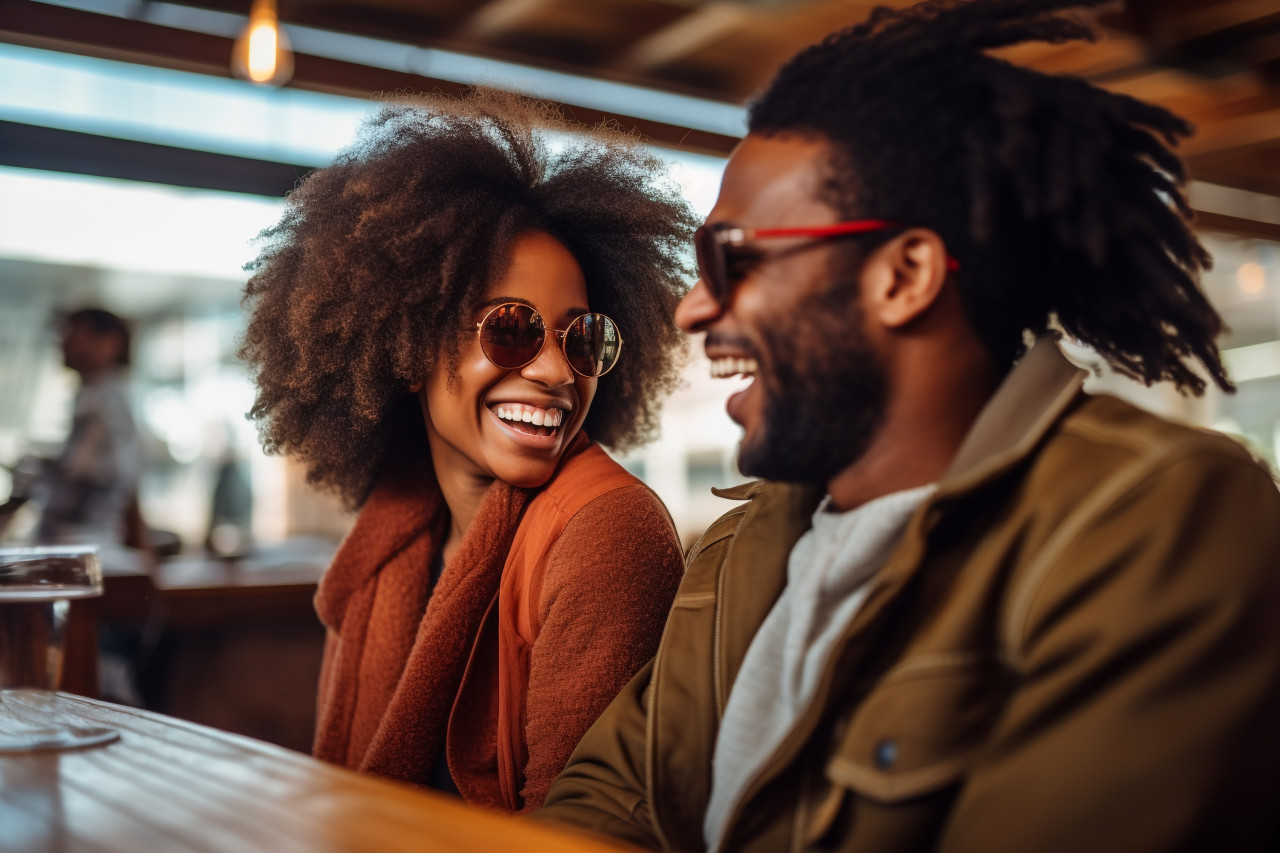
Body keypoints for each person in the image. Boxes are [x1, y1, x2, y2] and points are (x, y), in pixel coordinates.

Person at [536, 1, 1280, 850]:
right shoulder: (736, 550)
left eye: (732, 259)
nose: (692, 307)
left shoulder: (1158, 520)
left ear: (904, 275)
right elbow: (609, 795)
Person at [238, 91, 696, 812]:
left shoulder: (606, 532)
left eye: (583, 339)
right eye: (511, 328)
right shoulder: (396, 538)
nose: (554, 370)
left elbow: (582, 836)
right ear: (410, 347)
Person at [25, 308, 141, 546]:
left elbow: (89, 473)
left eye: (74, 334)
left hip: (83, 541)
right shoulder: (95, 394)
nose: (63, 343)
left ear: (109, 342)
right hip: (80, 540)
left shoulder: (104, 399)